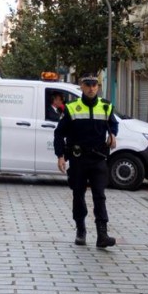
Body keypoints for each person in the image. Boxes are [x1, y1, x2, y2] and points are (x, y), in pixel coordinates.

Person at [54, 73, 118, 248]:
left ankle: (102, 235)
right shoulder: (72, 108)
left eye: (94, 85)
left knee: (100, 195)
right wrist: (60, 156)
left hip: (98, 158)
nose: (91, 88)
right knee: (78, 195)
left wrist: (113, 135)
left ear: (98, 87)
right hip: (78, 159)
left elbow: (113, 124)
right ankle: (81, 230)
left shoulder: (106, 107)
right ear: (81, 86)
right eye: (87, 85)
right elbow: (59, 133)